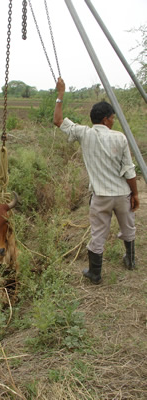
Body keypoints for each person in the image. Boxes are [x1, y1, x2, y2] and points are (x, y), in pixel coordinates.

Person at [53, 77, 139, 284]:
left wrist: (60, 95)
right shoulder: (119, 137)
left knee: (98, 233)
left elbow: (58, 121)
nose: (113, 120)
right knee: (128, 227)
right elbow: (128, 170)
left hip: (100, 196)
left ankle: (95, 273)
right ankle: (131, 260)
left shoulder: (84, 134)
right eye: (112, 117)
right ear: (106, 120)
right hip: (121, 194)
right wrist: (135, 193)